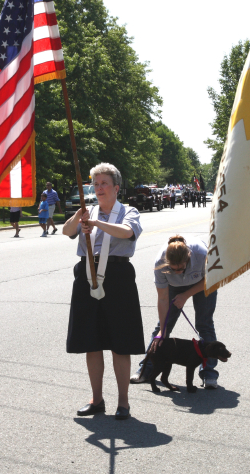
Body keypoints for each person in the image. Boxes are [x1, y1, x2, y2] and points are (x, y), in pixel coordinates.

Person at [63, 163, 144, 421]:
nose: (99, 188)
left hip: (118, 278)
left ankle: (123, 403)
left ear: (116, 188)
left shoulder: (127, 211)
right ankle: (96, 400)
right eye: (95, 184)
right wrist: (79, 219)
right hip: (87, 275)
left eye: (104, 183)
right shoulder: (87, 212)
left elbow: (127, 232)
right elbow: (66, 232)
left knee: (120, 342)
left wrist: (97, 222)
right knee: (91, 340)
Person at [130, 235, 220, 388]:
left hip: (202, 284)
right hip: (173, 287)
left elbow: (212, 278)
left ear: (189, 258)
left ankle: (209, 373)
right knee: (162, 328)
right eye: (173, 269)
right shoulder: (160, 262)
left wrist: (185, 295)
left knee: (204, 325)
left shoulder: (201, 254)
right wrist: (163, 331)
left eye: (181, 268)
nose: (178, 272)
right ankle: (145, 369)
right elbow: (163, 298)